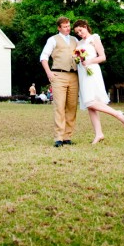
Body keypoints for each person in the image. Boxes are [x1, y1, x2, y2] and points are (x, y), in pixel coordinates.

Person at [73, 19, 124, 145]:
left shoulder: (94, 38)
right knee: (90, 106)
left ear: (85, 27)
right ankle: (99, 134)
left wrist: (89, 61)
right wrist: (77, 59)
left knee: (90, 102)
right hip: (82, 73)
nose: (79, 33)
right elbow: (78, 57)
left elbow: (103, 57)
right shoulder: (79, 43)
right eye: (77, 32)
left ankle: (117, 114)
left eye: (80, 30)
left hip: (92, 71)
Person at [40, 16, 79, 147]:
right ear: (59, 28)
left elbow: (82, 54)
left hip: (74, 76)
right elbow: (43, 57)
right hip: (58, 75)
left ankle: (68, 136)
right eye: (65, 27)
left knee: (72, 107)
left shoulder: (75, 40)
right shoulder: (53, 40)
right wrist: (49, 73)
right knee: (59, 107)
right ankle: (58, 137)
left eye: (69, 26)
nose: (68, 28)